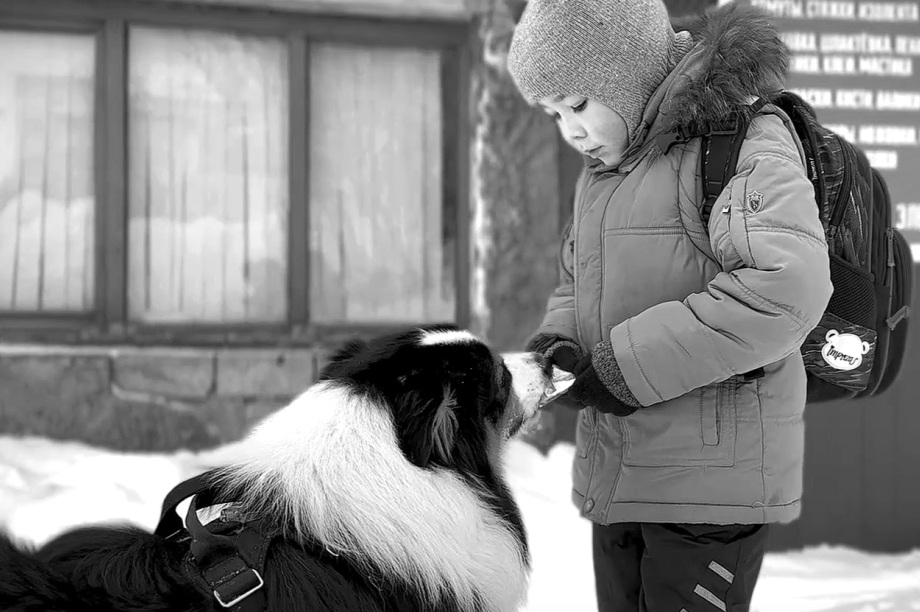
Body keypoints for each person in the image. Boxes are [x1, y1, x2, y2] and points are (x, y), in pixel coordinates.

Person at [507, 1, 834, 610]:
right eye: (553, 114)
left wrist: (625, 367)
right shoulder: (605, 173)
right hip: (624, 479)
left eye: (579, 105)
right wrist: (558, 345)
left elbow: (787, 285)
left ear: (626, 73)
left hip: (708, 494)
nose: (570, 130)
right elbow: (578, 282)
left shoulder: (740, 144)